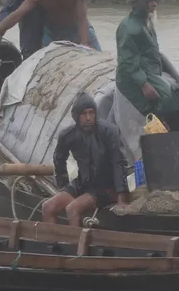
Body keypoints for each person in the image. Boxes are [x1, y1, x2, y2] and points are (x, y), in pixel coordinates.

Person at [42, 93, 131, 227]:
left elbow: (119, 163)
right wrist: (63, 185)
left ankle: (76, 246)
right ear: (76, 116)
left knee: (72, 209)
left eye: (91, 113)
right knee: (47, 207)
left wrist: (122, 199)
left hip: (106, 188)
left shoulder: (109, 131)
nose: (88, 118)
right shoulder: (68, 135)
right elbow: (59, 159)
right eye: (84, 114)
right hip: (83, 184)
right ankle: (53, 245)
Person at [115, 0, 179, 118]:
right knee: (167, 100)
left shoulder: (146, 22)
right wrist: (143, 84)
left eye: (155, 0)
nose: (154, 4)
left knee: (176, 94)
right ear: (140, 3)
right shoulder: (129, 28)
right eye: (150, 1)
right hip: (133, 77)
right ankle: (154, 119)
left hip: (150, 70)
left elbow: (154, 51)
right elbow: (128, 61)